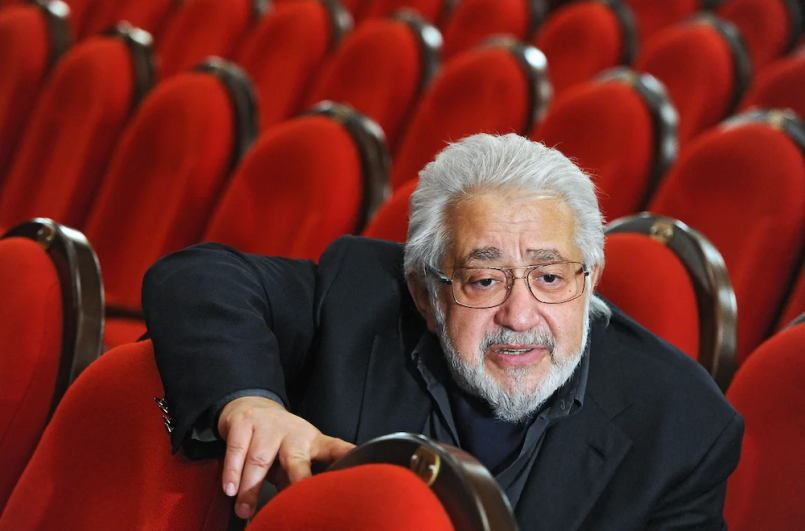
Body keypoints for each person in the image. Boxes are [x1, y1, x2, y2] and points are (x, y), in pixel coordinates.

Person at [143, 133, 743, 530]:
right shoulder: (356, 298)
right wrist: (250, 400)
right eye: (483, 280)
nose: (520, 316)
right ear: (424, 294)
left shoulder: (682, 428)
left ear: (590, 281)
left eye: (549, 277)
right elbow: (195, 278)